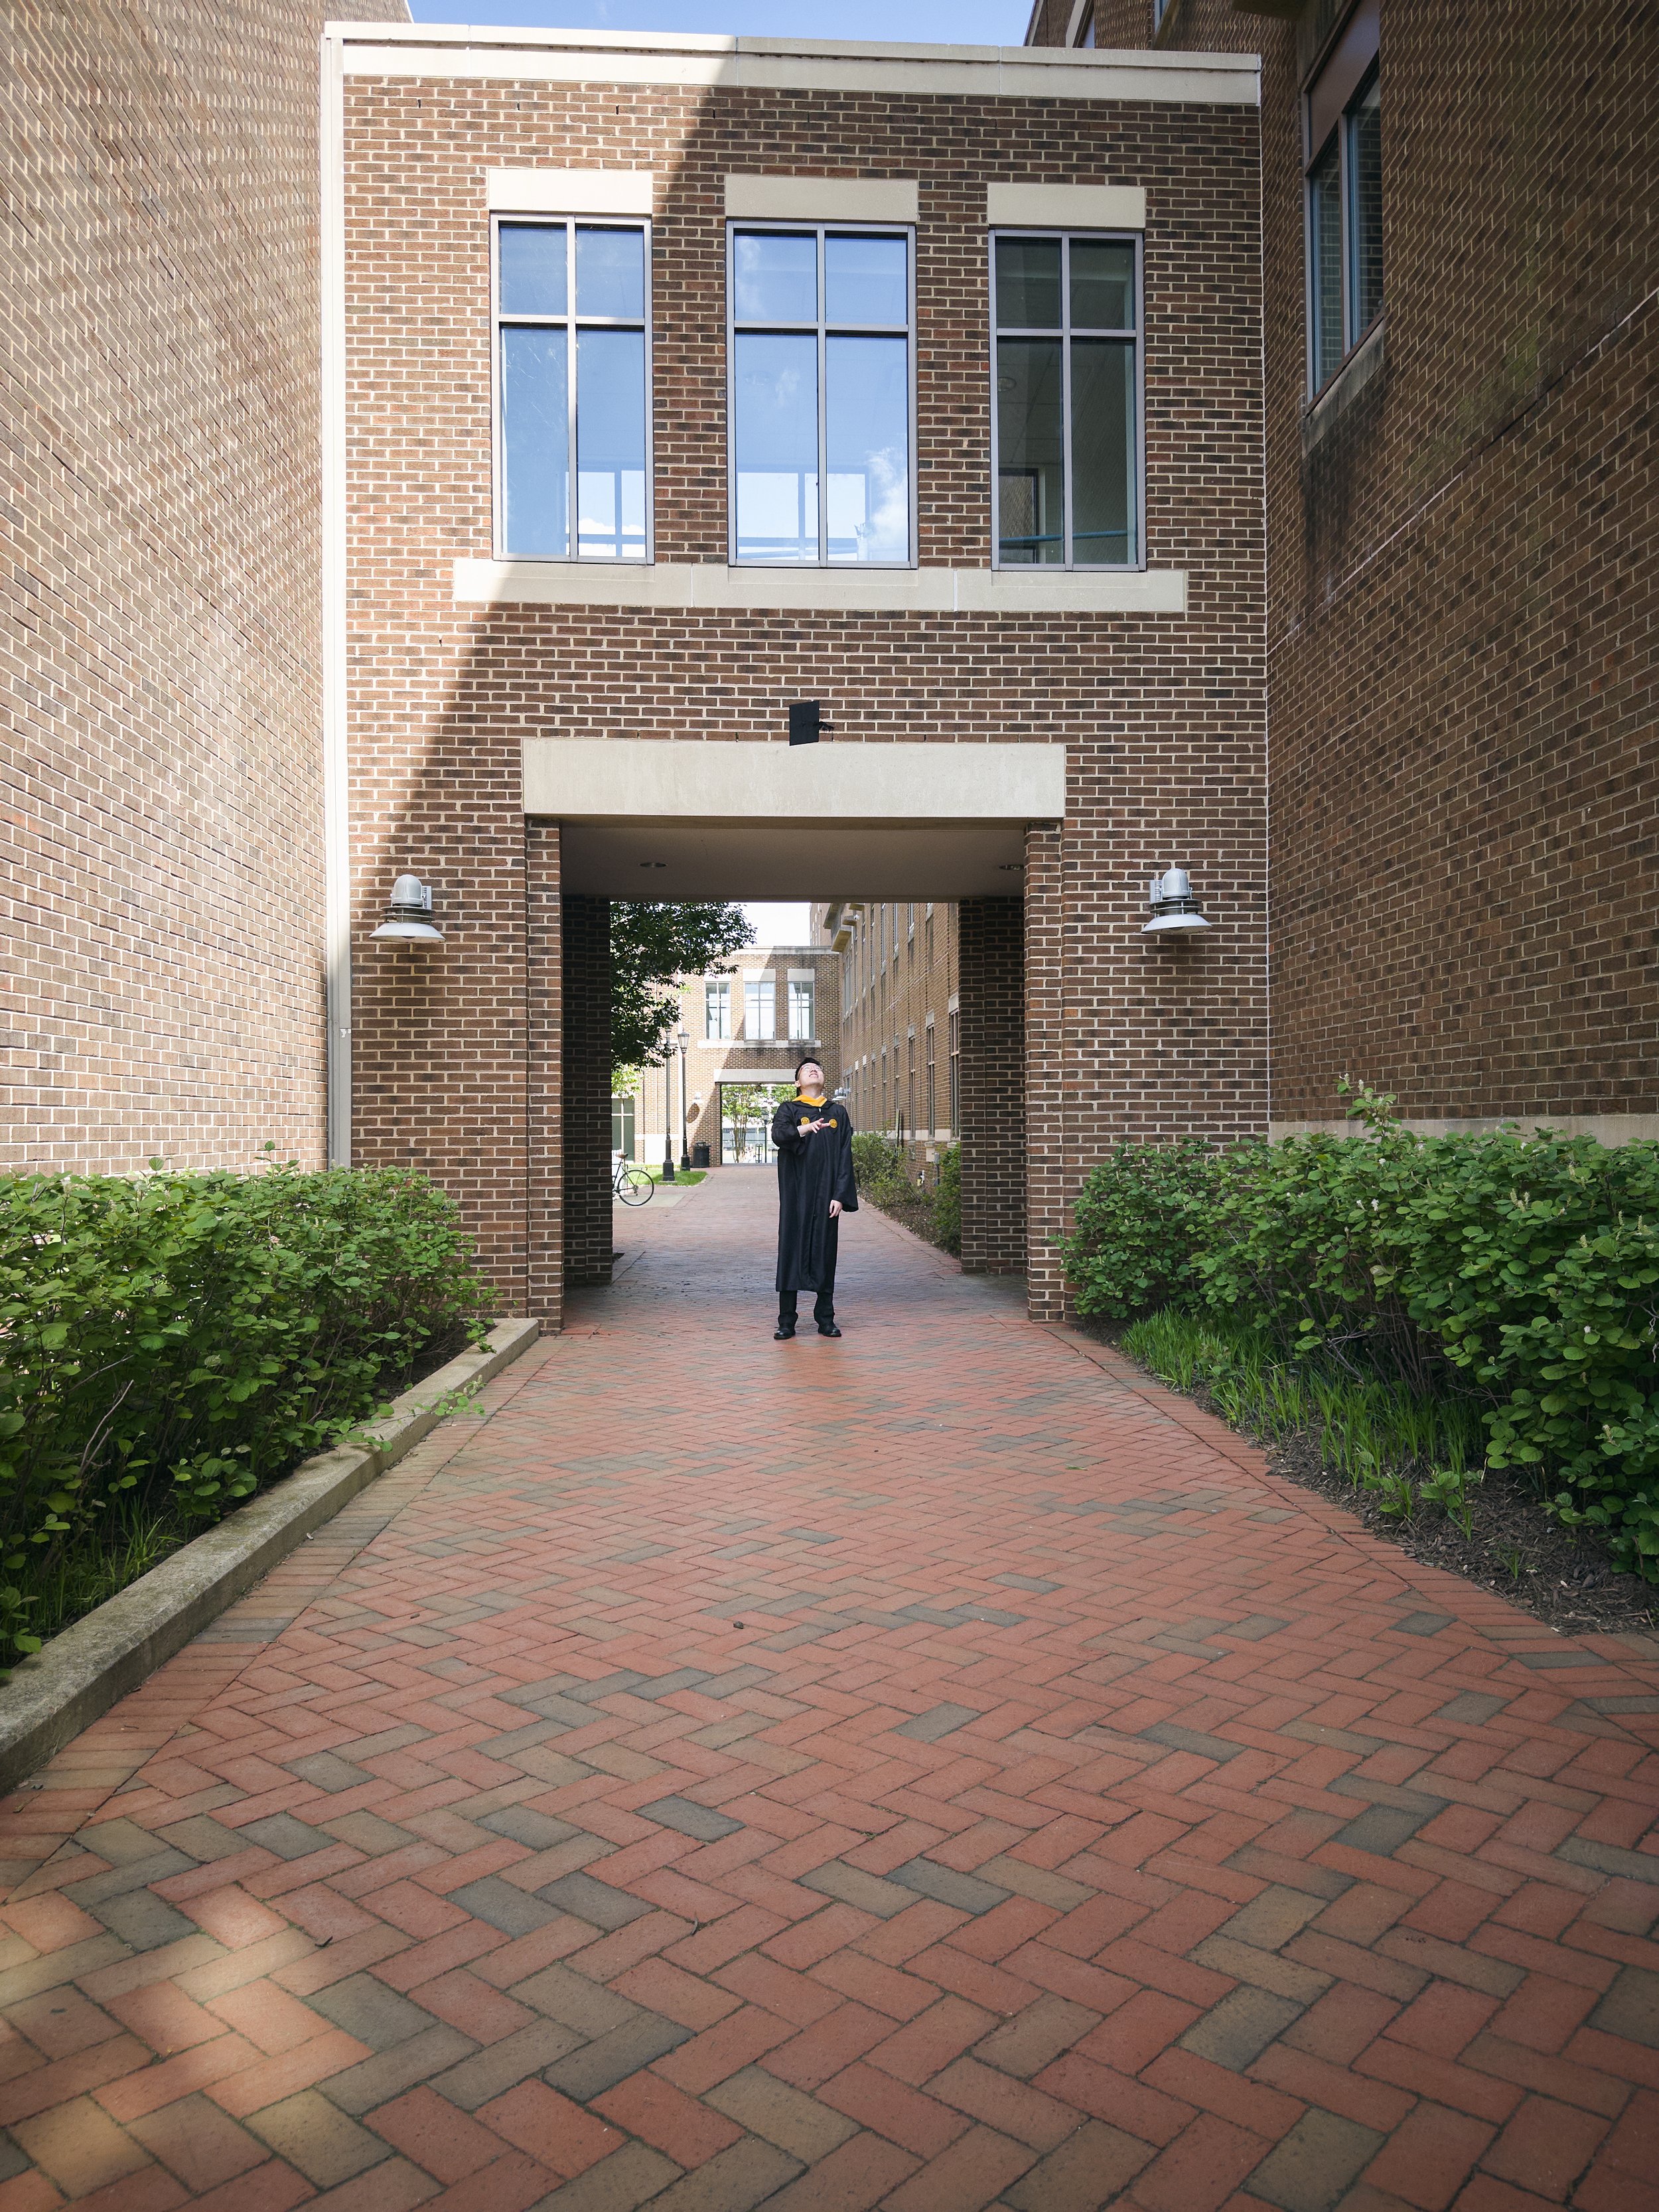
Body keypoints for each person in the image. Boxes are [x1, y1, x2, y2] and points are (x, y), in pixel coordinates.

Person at [771, 1057, 857, 1339]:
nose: (813, 1070)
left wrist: (840, 1196)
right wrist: (804, 1128)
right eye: (806, 1070)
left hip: (826, 1196)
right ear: (798, 1082)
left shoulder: (838, 1114)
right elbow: (779, 1135)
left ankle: (825, 1319)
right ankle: (787, 1321)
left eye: (818, 1068)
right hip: (797, 1194)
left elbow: (845, 1156)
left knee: (824, 1251)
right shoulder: (789, 1109)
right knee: (791, 1251)